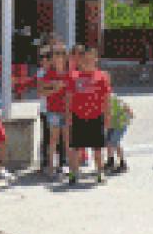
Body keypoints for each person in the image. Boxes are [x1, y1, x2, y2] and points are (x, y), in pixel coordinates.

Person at [65, 47, 112, 185]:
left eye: (91, 59)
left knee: (97, 148)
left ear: (96, 60)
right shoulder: (74, 76)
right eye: (85, 59)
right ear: (80, 60)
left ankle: (100, 172)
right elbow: (69, 97)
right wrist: (68, 115)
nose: (88, 62)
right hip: (78, 116)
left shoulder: (101, 76)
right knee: (76, 148)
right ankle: (74, 173)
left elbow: (106, 98)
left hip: (96, 116)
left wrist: (107, 116)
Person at [39, 44, 71, 178]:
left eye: (61, 54)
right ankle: (51, 167)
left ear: (65, 57)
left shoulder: (69, 73)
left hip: (67, 111)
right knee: (53, 140)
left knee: (67, 140)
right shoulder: (48, 74)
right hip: (53, 111)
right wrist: (55, 88)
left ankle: (68, 167)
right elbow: (41, 91)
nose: (58, 57)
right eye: (55, 55)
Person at [105, 93, 133, 174]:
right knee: (113, 143)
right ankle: (113, 162)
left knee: (112, 143)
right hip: (115, 123)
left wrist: (130, 113)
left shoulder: (110, 99)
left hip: (120, 124)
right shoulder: (110, 97)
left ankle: (119, 164)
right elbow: (125, 106)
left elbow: (125, 106)